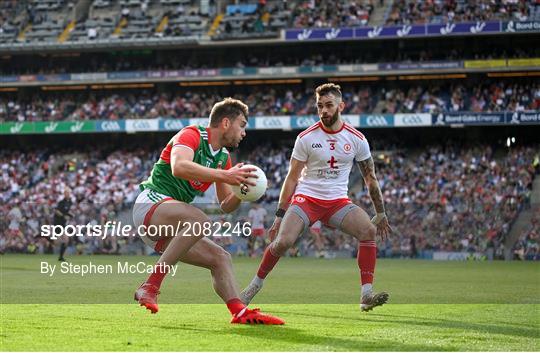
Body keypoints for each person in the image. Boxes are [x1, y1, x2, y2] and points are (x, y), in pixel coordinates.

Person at [240, 84, 392, 312]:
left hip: (337, 202)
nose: (324, 111)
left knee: (368, 231)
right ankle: (253, 287)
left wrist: (380, 213)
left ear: (341, 106)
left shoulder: (357, 139)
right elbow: (291, 179)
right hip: (306, 199)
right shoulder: (306, 138)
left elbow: (370, 178)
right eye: (320, 106)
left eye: (329, 105)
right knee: (283, 242)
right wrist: (280, 215)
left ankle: (366, 295)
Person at [132, 98, 284, 325]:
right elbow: (179, 166)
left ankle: (240, 312)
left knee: (220, 257)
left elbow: (225, 205)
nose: (244, 132)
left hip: (170, 224)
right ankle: (150, 286)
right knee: (200, 220)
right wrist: (226, 176)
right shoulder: (192, 134)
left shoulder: (223, 157)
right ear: (225, 123)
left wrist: (244, 193)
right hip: (150, 203)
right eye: (242, 125)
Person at [55, 188, 73, 262]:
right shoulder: (61, 202)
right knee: (64, 240)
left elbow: (67, 212)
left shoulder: (70, 202)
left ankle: (61, 256)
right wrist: (63, 216)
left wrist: (70, 215)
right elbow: (56, 211)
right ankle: (60, 256)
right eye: (66, 193)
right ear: (64, 194)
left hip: (63, 223)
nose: (67, 194)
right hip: (58, 223)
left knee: (66, 240)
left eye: (68, 193)